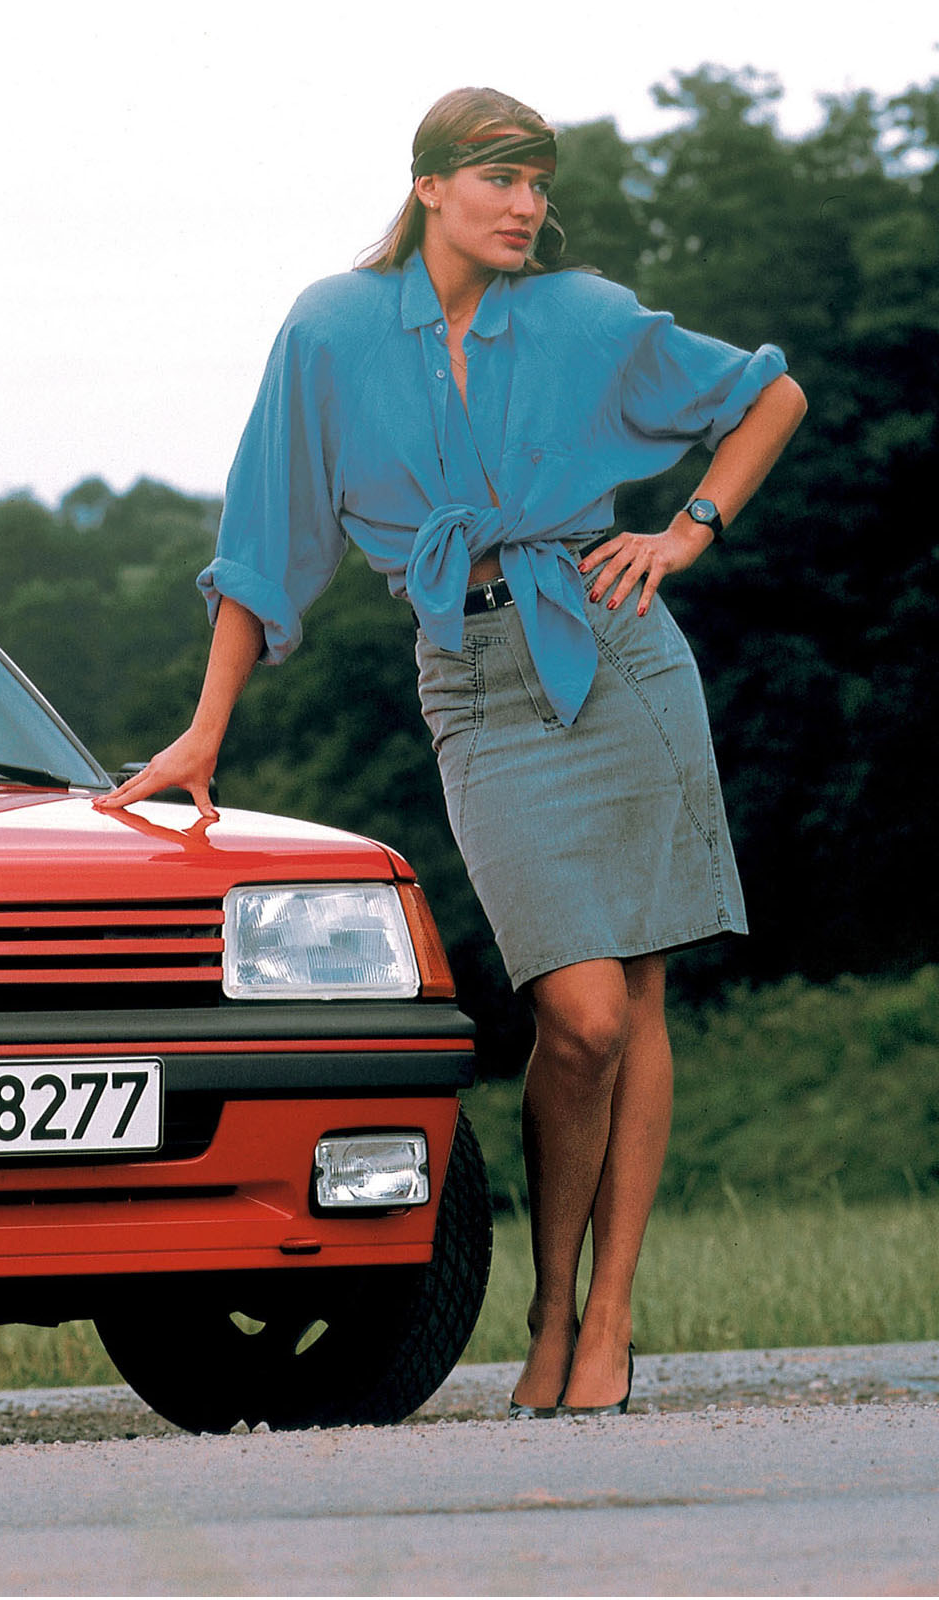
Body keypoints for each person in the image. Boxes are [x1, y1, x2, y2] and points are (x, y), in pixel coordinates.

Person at [97, 86, 807, 1418]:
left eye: (538, 184)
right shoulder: (331, 329)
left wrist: (687, 532)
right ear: (428, 186)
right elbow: (261, 541)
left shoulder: (585, 316)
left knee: (638, 998)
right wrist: (205, 730)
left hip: (619, 652)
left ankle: (606, 1315)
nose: (526, 207)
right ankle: (548, 1302)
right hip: (473, 684)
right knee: (577, 1014)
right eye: (500, 180)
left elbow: (770, 396)